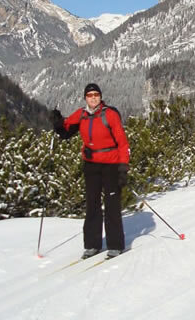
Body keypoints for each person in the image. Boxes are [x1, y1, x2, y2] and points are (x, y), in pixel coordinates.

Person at [50, 83, 130, 259]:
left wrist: (123, 167)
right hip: (91, 165)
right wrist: (57, 122)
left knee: (111, 204)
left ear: (100, 97)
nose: (93, 98)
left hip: (111, 164)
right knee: (92, 204)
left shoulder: (110, 114)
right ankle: (92, 245)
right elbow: (66, 130)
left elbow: (123, 143)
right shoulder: (81, 115)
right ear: (85, 98)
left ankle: (115, 245)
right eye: (90, 95)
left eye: (96, 95)